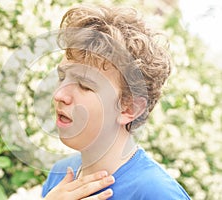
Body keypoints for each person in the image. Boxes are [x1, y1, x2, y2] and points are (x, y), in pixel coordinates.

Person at [41, 4, 191, 200]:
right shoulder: (60, 176)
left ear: (129, 108)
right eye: (62, 77)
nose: (59, 95)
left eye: (85, 85)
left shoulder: (156, 193)